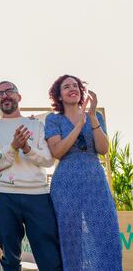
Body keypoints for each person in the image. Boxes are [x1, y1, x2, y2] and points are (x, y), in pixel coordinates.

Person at [44, 75, 122, 270]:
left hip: (94, 179)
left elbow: (103, 149)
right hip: (66, 182)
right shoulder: (53, 119)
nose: (73, 88)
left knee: (106, 231)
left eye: (76, 85)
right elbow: (58, 151)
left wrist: (92, 116)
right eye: (66, 86)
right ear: (59, 95)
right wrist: (78, 126)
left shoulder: (96, 117)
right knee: (71, 237)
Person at [0, 81, 62, 271]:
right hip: (4, 196)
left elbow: (47, 160)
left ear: (19, 97)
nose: (5, 95)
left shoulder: (36, 125)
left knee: (49, 255)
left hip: (38, 196)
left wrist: (26, 147)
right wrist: (13, 147)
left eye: (9, 91)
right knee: (10, 258)